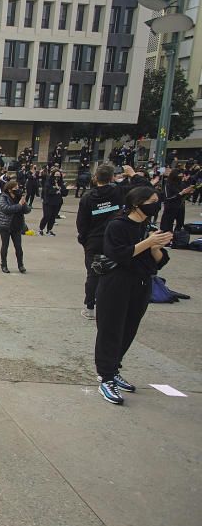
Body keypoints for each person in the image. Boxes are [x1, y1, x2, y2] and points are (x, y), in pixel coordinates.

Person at [94, 187, 171, 405]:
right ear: (137, 203)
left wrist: (156, 246)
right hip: (116, 285)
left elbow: (160, 261)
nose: (156, 205)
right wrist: (148, 242)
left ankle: (115, 367)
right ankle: (106, 377)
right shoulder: (117, 225)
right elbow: (119, 254)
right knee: (111, 330)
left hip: (141, 284)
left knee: (129, 329)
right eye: (152, 201)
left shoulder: (148, 226)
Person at [76, 165, 123, 320]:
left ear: (95, 178)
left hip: (94, 239)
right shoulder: (118, 192)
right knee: (114, 272)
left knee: (93, 273)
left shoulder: (88, 197)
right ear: (111, 178)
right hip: (114, 238)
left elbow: (81, 222)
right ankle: (111, 306)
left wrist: (84, 239)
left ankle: (90, 307)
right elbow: (141, 189)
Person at [0, 179, 30, 273]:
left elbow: (27, 210)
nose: (17, 189)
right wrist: (19, 205)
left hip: (17, 225)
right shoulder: (3, 197)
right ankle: (4, 264)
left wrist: (23, 203)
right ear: (10, 189)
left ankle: (21, 265)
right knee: (5, 245)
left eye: (18, 187)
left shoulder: (19, 197)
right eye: (15, 188)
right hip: (5, 225)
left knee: (18, 247)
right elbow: (6, 209)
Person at [160, 169, 193, 234]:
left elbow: (184, 196)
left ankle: (177, 239)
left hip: (180, 207)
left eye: (182, 176)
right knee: (167, 226)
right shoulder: (168, 185)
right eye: (179, 176)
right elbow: (168, 198)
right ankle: (168, 240)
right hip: (170, 207)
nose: (181, 178)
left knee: (180, 224)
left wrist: (189, 192)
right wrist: (181, 193)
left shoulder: (182, 183)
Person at [39, 168, 68, 236]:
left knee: (53, 217)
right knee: (47, 216)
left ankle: (49, 230)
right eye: (56, 175)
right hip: (48, 202)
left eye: (59, 175)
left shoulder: (61, 183)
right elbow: (48, 191)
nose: (57, 177)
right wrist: (56, 189)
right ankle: (41, 229)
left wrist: (64, 189)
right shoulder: (48, 182)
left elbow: (64, 193)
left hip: (57, 202)